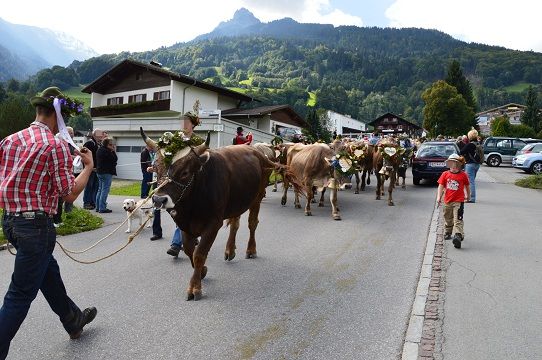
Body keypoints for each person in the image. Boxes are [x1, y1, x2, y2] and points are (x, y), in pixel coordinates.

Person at [0, 87, 97, 359]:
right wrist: (88, 167)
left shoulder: (10, 140)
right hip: (36, 227)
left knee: (47, 272)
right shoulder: (54, 146)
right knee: (19, 295)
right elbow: (69, 192)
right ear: (58, 116)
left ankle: (73, 320)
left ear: (37, 110)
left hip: (11, 222)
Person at [436, 154, 471, 249]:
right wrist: (439, 197)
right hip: (447, 200)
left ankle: (458, 236)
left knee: (458, 219)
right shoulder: (445, 174)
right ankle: (448, 232)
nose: (454, 168)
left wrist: (468, 195)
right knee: (447, 217)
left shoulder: (463, 175)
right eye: (452, 166)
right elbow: (441, 186)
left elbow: (467, 186)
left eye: (456, 166)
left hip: (458, 201)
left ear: (460, 166)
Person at [82, 128, 105, 209]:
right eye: (99, 135)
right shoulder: (89, 143)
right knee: (89, 185)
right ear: (94, 135)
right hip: (90, 169)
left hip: (97, 169)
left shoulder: (99, 144)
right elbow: (83, 155)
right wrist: (88, 167)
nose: (101, 137)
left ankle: (93, 202)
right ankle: (87, 203)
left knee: (96, 186)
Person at [95, 137, 117, 213]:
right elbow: (114, 159)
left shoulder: (99, 150)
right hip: (106, 173)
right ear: (108, 144)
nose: (113, 146)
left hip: (99, 172)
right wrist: (113, 151)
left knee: (100, 189)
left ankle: (98, 207)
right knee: (105, 190)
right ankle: (102, 208)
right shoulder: (107, 151)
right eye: (111, 144)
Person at [459, 129, 481, 203]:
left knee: (470, 182)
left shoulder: (469, 144)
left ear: (469, 136)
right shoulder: (478, 143)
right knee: (472, 181)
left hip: (470, 164)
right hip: (477, 164)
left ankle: (471, 198)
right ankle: (469, 196)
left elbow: (461, 151)